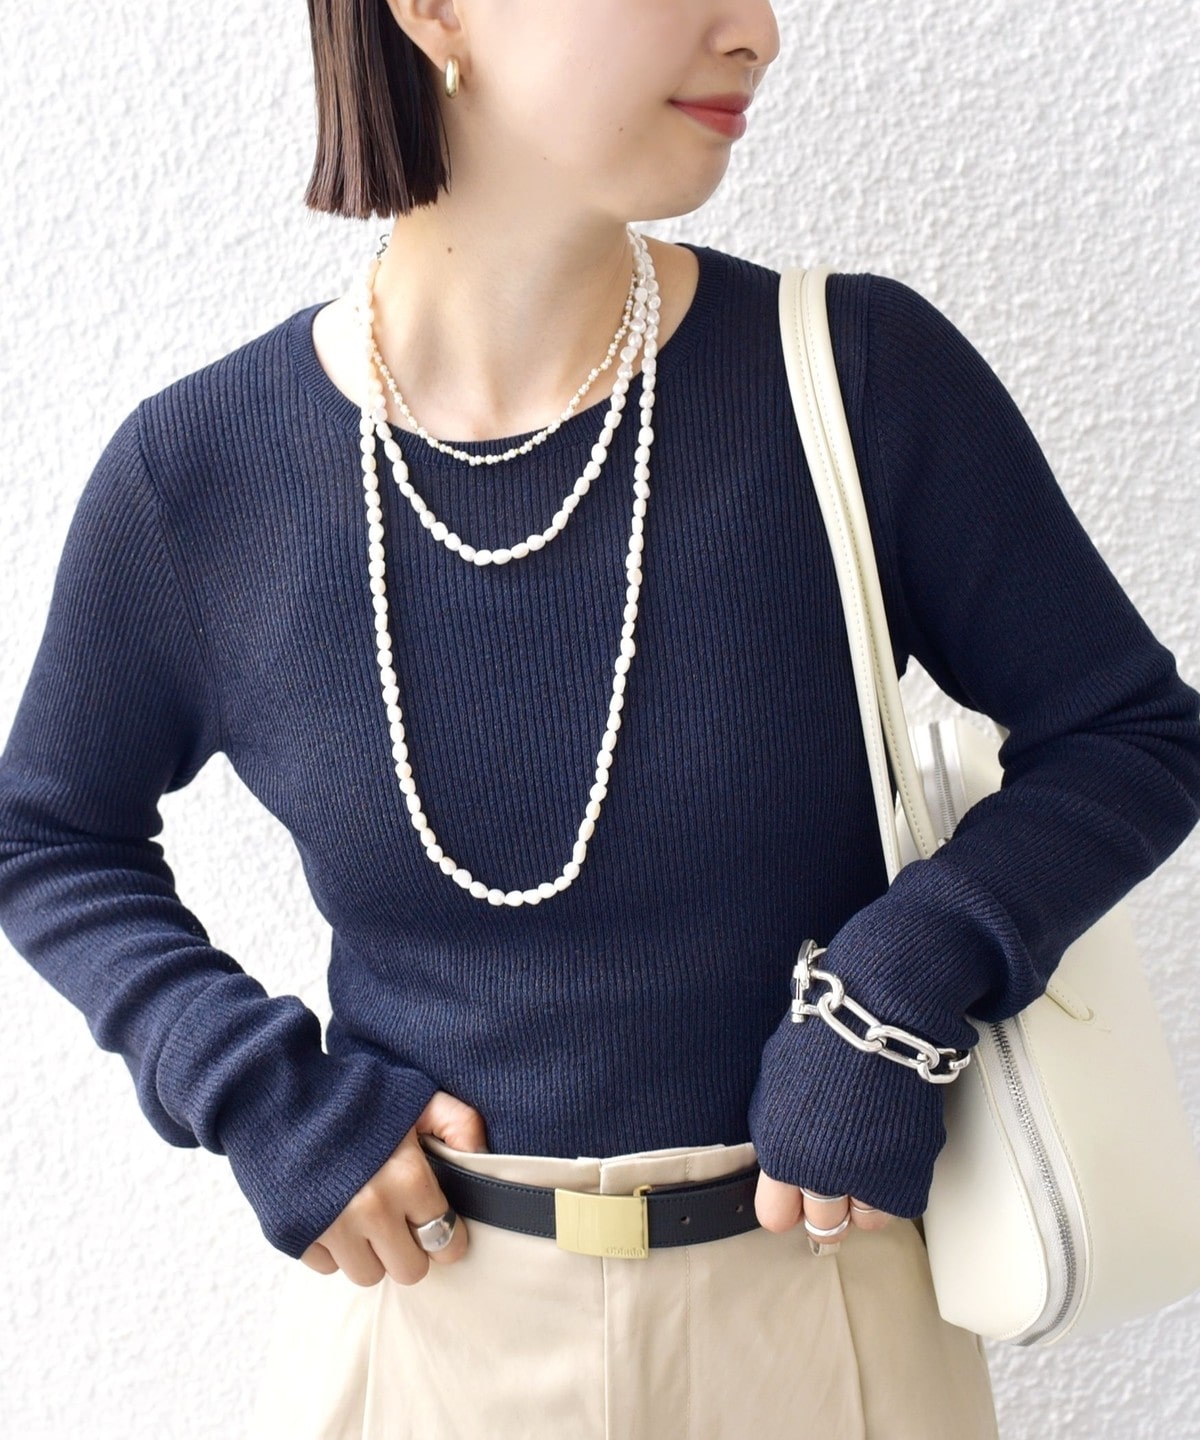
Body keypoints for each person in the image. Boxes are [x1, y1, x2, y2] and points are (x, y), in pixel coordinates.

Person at [1, 0, 1198, 1435]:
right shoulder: (204, 474)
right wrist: (250, 1087)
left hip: (820, 1317)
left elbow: (1131, 732)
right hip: (424, 1338)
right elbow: (44, 835)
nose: (757, 31)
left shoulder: (853, 379)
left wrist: (897, 986)